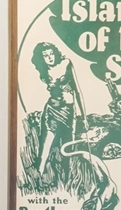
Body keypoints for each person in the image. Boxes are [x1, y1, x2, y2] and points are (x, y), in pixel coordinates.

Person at [30, 42, 86, 174]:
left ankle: (67, 178)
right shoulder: (44, 71)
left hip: (69, 112)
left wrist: (84, 117)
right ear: (41, 58)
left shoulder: (66, 63)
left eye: (51, 54)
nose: (50, 57)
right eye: (45, 56)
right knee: (45, 147)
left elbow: (78, 91)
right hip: (52, 110)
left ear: (55, 53)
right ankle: (38, 175)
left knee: (68, 147)